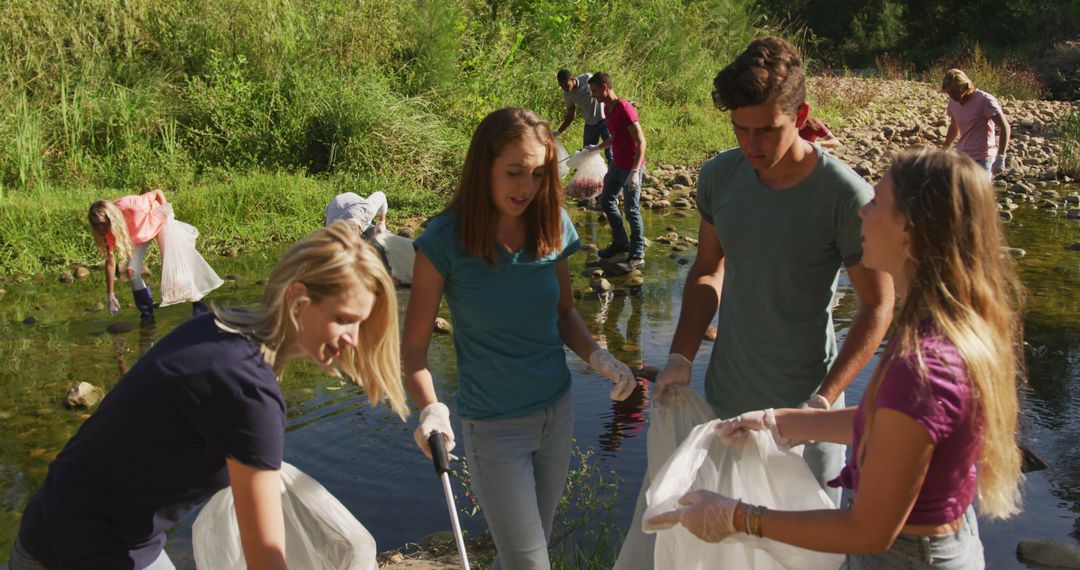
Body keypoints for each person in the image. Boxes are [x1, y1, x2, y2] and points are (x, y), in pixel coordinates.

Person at [647, 147, 1025, 569]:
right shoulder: (938, 328)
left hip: (909, 557)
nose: (861, 213)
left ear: (908, 230)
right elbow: (890, 424)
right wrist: (783, 423)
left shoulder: (925, 368)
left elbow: (868, 529)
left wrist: (738, 518)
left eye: (877, 202)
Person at [10, 222, 408, 569]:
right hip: (86, 550)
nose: (353, 340)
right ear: (297, 299)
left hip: (61, 527)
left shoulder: (218, 328)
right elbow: (265, 557)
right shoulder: (248, 388)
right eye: (344, 320)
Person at [652, 36, 894, 505]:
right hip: (725, 405)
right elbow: (707, 269)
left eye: (765, 130)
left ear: (801, 117)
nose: (750, 145)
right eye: (739, 129)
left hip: (805, 413)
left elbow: (878, 304)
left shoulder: (844, 196)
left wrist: (823, 402)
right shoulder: (720, 178)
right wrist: (680, 357)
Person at [402, 107, 637, 570]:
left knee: (526, 551)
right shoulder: (444, 242)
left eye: (538, 173)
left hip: (557, 413)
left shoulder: (551, 224)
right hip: (494, 427)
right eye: (514, 173)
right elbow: (413, 350)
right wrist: (430, 407)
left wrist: (599, 356)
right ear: (483, 167)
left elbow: (565, 311)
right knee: (530, 562)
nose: (527, 188)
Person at [88, 189, 220, 324]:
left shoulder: (132, 204)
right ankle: (147, 313)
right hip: (139, 235)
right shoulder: (106, 232)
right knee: (131, 271)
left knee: (174, 266)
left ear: (112, 218)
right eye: (96, 225)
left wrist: (168, 213)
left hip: (160, 223)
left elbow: (157, 192)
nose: (101, 228)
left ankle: (198, 304)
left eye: (103, 223)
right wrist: (110, 294)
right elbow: (110, 261)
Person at [587, 73, 648, 269]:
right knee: (606, 200)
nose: (593, 95)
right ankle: (621, 243)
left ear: (605, 87)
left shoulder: (624, 109)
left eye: (595, 91)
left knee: (631, 210)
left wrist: (634, 172)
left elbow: (641, 141)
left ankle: (637, 255)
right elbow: (616, 137)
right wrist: (597, 148)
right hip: (617, 165)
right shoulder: (607, 108)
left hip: (631, 166)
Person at [325, 191, 414, 286]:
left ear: (360, 231)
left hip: (354, 206)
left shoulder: (367, 211)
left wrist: (381, 221)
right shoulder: (331, 232)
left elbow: (381, 195)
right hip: (334, 208)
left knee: (376, 243)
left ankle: (386, 274)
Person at [941, 69, 1010, 179]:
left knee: (980, 195)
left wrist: (1001, 157)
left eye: (955, 92)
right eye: (949, 93)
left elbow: (1005, 127)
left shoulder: (985, 100)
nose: (953, 96)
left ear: (965, 86)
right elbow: (954, 127)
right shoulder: (953, 102)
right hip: (962, 156)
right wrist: (944, 150)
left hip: (983, 158)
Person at [553, 69, 612, 163]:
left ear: (572, 79)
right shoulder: (567, 95)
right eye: (562, 86)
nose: (565, 88)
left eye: (566, 85)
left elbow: (603, 89)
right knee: (587, 155)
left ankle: (614, 176)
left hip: (605, 120)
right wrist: (558, 131)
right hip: (590, 125)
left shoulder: (587, 78)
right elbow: (571, 115)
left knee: (611, 154)